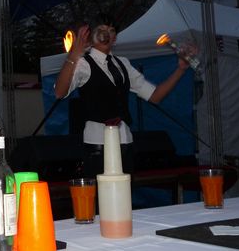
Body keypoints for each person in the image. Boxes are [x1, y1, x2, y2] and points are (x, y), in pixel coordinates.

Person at [54, 20, 189, 177]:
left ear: (115, 38)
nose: (106, 33)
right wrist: (73, 55)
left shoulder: (123, 63)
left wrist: (181, 69)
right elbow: (59, 92)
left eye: (111, 30)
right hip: (98, 144)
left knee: (125, 190)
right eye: (101, 29)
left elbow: (155, 96)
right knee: (101, 191)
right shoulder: (83, 64)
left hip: (125, 141)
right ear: (92, 36)